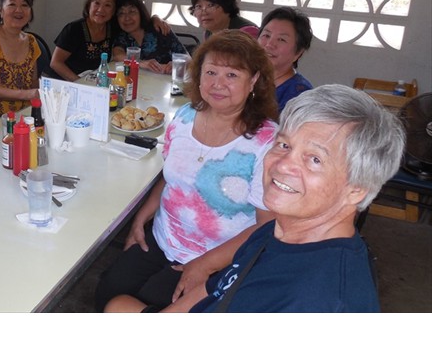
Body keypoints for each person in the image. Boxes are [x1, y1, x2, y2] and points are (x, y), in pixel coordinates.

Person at [106, 84, 405, 313]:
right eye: (284, 144)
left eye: (314, 159)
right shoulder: (275, 231)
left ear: (357, 188)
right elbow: (217, 287)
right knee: (116, 304)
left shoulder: (319, 300)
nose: (283, 164)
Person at [95, 30, 279, 312]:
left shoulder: (266, 143)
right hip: (164, 236)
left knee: (148, 303)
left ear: (253, 80)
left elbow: (266, 226)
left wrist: (205, 266)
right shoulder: (184, 117)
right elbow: (175, 179)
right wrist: (141, 218)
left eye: (232, 75)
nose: (218, 84)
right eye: (211, 72)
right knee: (108, 291)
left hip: (217, 257)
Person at [50, 0, 117, 81]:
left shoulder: (112, 29)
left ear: (113, 11)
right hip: (63, 82)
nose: (100, 9)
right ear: (89, 5)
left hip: (91, 81)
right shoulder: (74, 29)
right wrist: (80, 84)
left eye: (107, 5)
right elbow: (55, 63)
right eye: (97, 3)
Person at [112, 0, 187, 74]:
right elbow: (118, 55)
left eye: (132, 11)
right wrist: (141, 63)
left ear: (141, 13)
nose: (127, 18)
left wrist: (177, 64)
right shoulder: (121, 36)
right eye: (121, 13)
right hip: (136, 83)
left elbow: (188, 59)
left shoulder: (159, 29)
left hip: (165, 83)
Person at [257, 6, 314, 112]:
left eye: (281, 39)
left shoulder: (299, 97)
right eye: (266, 35)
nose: (269, 45)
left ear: (298, 52)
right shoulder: (246, 78)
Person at [190, 0, 259, 40]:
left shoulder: (247, 33)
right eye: (199, 6)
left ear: (227, 4)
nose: (204, 12)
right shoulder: (209, 32)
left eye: (211, 5)